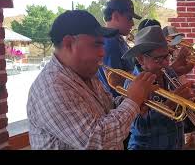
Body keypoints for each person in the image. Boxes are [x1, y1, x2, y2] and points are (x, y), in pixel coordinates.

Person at [26, 10, 158, 150]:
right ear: (69, 43)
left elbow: (105, 110)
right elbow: (95, 140)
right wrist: (133, 101)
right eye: (96, 45)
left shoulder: (84, 72)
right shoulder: (51, 87)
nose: (103, 52)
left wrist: (132, 102)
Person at [122, 25, 193, 150]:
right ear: (141, 59)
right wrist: (169, 105)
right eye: (158, 59)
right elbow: (138, 127)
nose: (166, 63)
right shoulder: (132, 83)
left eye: (166, 56)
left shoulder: (167, 72)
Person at [97, 0, 142, 98]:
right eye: (129, 18)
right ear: (116, 16)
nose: (133, 23)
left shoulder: (117, 38)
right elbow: (116, 82)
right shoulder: (110, 42)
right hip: (122, 101)